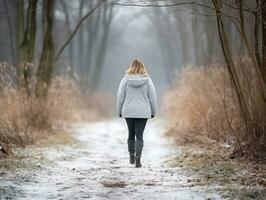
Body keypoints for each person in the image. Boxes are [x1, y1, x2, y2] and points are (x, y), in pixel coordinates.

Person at [116, 59, 157, 168]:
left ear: (131, 67)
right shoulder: (147, 80)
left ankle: (131, 156)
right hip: (143, 112)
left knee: (131, 133)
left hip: (128, 111)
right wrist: (153, 112)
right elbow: (152, 98)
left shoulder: (125, 80)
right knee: (139, 135)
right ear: (143, 67)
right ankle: (138, 159)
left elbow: (120, 97)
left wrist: (119, 111)